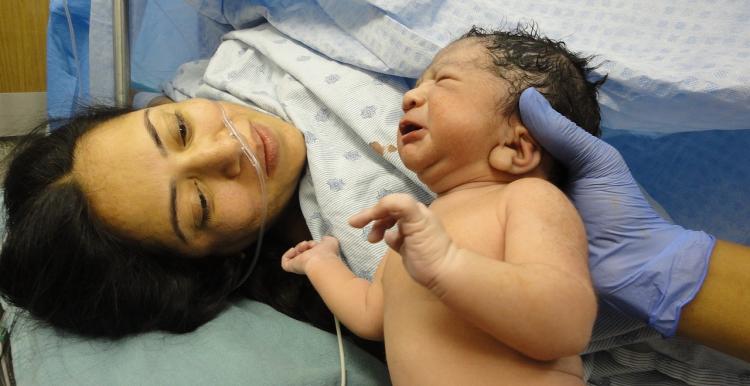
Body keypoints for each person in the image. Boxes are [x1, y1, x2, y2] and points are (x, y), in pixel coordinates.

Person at [0, 21, 747, 368]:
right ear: (214, 265)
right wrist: (326, 263)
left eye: (176, 128)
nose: (230, 147)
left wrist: (670, 273)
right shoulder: (365, 243)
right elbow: (382, 313)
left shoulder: (261, 50)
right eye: (197, 207)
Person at [280, 31, 598, 385]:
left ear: (517, 148)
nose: (409, 97)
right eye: (416, 85)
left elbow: (562, 325)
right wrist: (321, 263)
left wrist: (448, 264)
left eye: (443, 81)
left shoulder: (529, 198)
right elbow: (371, 313)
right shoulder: (419, 229)